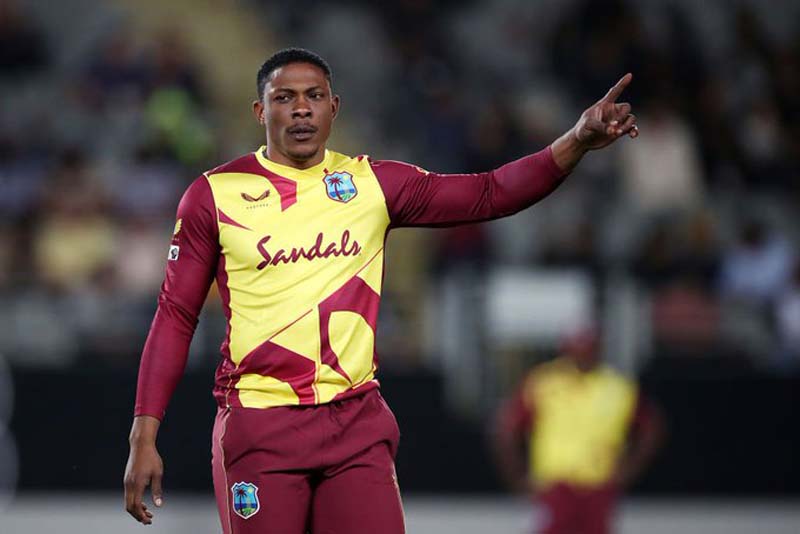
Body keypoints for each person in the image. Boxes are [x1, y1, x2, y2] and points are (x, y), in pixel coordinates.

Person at [123, 47, 639, 534]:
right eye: (284, 98)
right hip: (261, 424)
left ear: (334, 107)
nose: (301, 109)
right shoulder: (214, 194)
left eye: (314, 96)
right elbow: (175, 315)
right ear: (261, 111)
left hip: (355, 425)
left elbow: (490, 193)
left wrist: (576, 140)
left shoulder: (372, 186)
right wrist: (143, 435)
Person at [493, 327, 664, 534]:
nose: (583, 355)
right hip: (555, 486)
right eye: (577, 349)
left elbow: (651, 427)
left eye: (588, 349)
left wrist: (630, 468)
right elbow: (508, 427)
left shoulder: (616, 388)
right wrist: (516, 476)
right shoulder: (545, 382)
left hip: (599, 485)